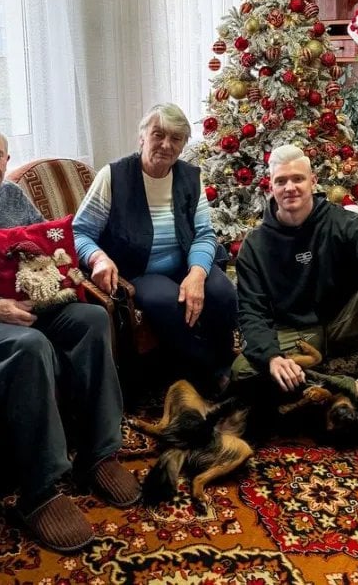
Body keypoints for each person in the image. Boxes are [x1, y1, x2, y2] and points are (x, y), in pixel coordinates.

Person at [0, 123, 140, 554]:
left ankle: (99, 454)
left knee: (91, 319)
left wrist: (68, 274)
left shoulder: (13, 195)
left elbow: (49, 241)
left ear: (7, 161)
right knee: (32, 347)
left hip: (25, 307)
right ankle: (41, 489)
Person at [233, 144, 358, 481]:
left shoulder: (343, 222)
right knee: (243, 372)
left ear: (313, 181)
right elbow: (251, 314)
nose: (290, 187)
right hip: (294, 332)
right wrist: (272, 357)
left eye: (298, 179)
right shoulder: (255, 244)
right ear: (270, 186)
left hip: (343, 323)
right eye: (281, 181)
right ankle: (353, 386)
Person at [73, 103, 237, 396]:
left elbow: (204, 234)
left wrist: (197, 273)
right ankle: (207, 372)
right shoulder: (113, 177)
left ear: (184, 144)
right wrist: (97, 257)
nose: (166, 144)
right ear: (142, 138)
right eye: (158, 134)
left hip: (186, 261)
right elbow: (79, 232)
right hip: (140, 268)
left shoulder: (190, 177)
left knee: (223, 292)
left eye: (175, 138)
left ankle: (224, 364)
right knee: (164, 300)